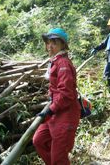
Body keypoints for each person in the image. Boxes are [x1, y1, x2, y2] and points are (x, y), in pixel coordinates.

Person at [33, 28, 81, 165]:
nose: (50, 46)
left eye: (54, 43)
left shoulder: (63, 63)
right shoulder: (55, 61)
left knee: (58, 158)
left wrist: (50, 110)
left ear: (63, 45)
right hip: (56, 111)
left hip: (66, 114)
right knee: (39, 141)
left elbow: (66, 94)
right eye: (48, 43)